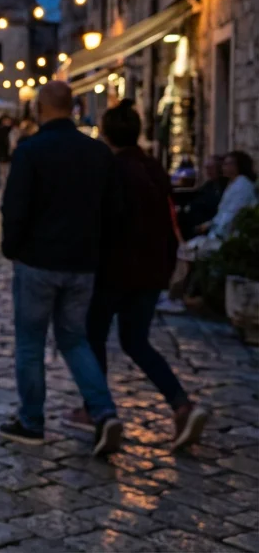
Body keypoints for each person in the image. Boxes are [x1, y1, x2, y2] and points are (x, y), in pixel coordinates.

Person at [0, 81, 123, 456]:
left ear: (41, 107)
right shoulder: (98, 152)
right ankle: (103, 411)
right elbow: (113, 210)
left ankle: (31, 420)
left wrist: (12, 248)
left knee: (31, 343)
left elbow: (15, 207)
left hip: (38, 261)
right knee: (74, 339)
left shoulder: (31, 151)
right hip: (82, 263)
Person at [77, 101, 207, 450]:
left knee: (93, 338)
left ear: (106, 134)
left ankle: (98, 411)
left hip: (114, 269)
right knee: (136, 341)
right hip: (152, 270)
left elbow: (105, 219)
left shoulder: (111, 170)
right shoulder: (153, 167)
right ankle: (181, 404)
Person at [197, 151, 256, 241]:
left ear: (236, 166)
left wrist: (217, 233)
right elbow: (223, 211)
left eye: (227, 164)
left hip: (230, 236)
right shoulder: (232, 183)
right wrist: (208, 224)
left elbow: (232, 213)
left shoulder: (242, 185)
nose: (223, 167)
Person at [179, 155, 227, 239]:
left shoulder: (224, 185)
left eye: (211, 168)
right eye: (207, 168)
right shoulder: (209, 185)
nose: (208, 171)